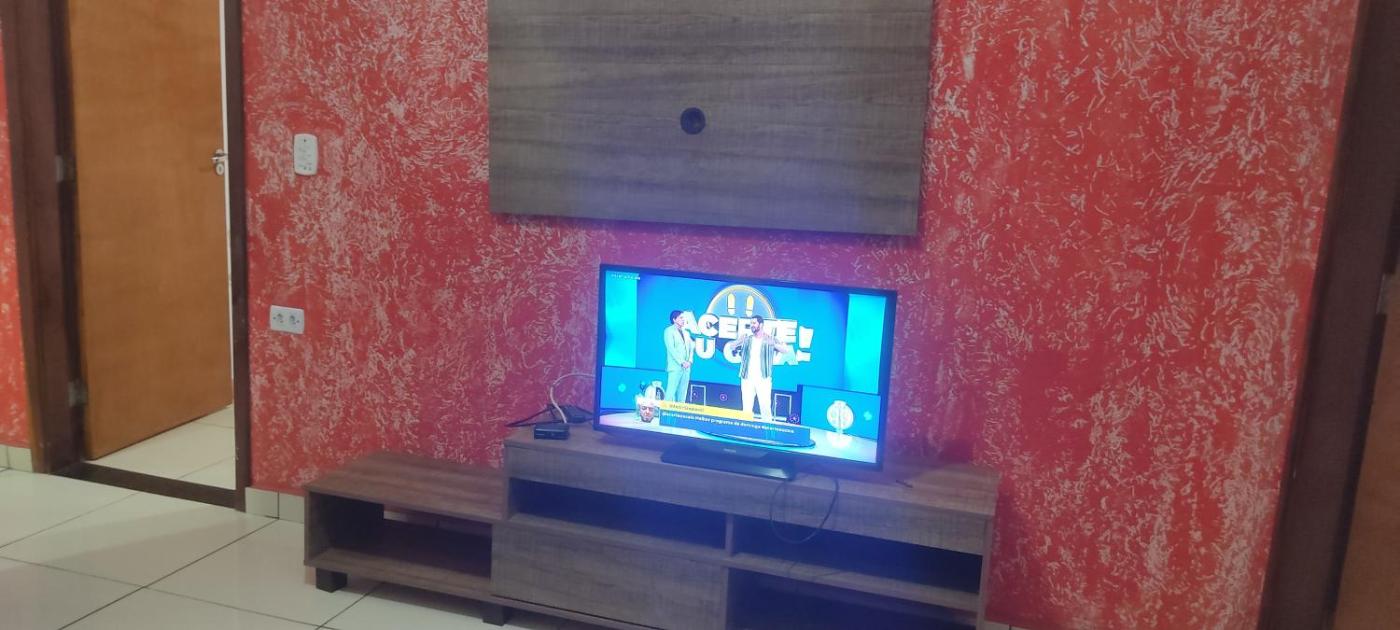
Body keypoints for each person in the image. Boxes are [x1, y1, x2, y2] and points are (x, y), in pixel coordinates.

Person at [729, 315, 792, 422]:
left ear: (761, 324)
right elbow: (731, 346)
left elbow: (786, 351)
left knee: (765, 407)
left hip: (763, 378)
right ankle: (746, 428)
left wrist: (774, 345)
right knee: (746, 408)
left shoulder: (770, 338)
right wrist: (739, 341)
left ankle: (767, 429)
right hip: (747, 378)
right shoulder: (747, 339)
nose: (752, 325)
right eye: (751, 323)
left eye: (754, 323)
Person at [663, 310, 694, 403]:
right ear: (674, 319)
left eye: (683, 318)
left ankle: (680, 412)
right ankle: (665, 411)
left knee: (682, 394)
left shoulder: (686, 333)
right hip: (675, 367)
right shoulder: (669, 331)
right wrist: (682, 362)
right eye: (681, 318)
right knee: (671, 392)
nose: (683, 320)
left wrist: (690, 361)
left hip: (686, 368)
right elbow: (671, 349)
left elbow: (691, 348)